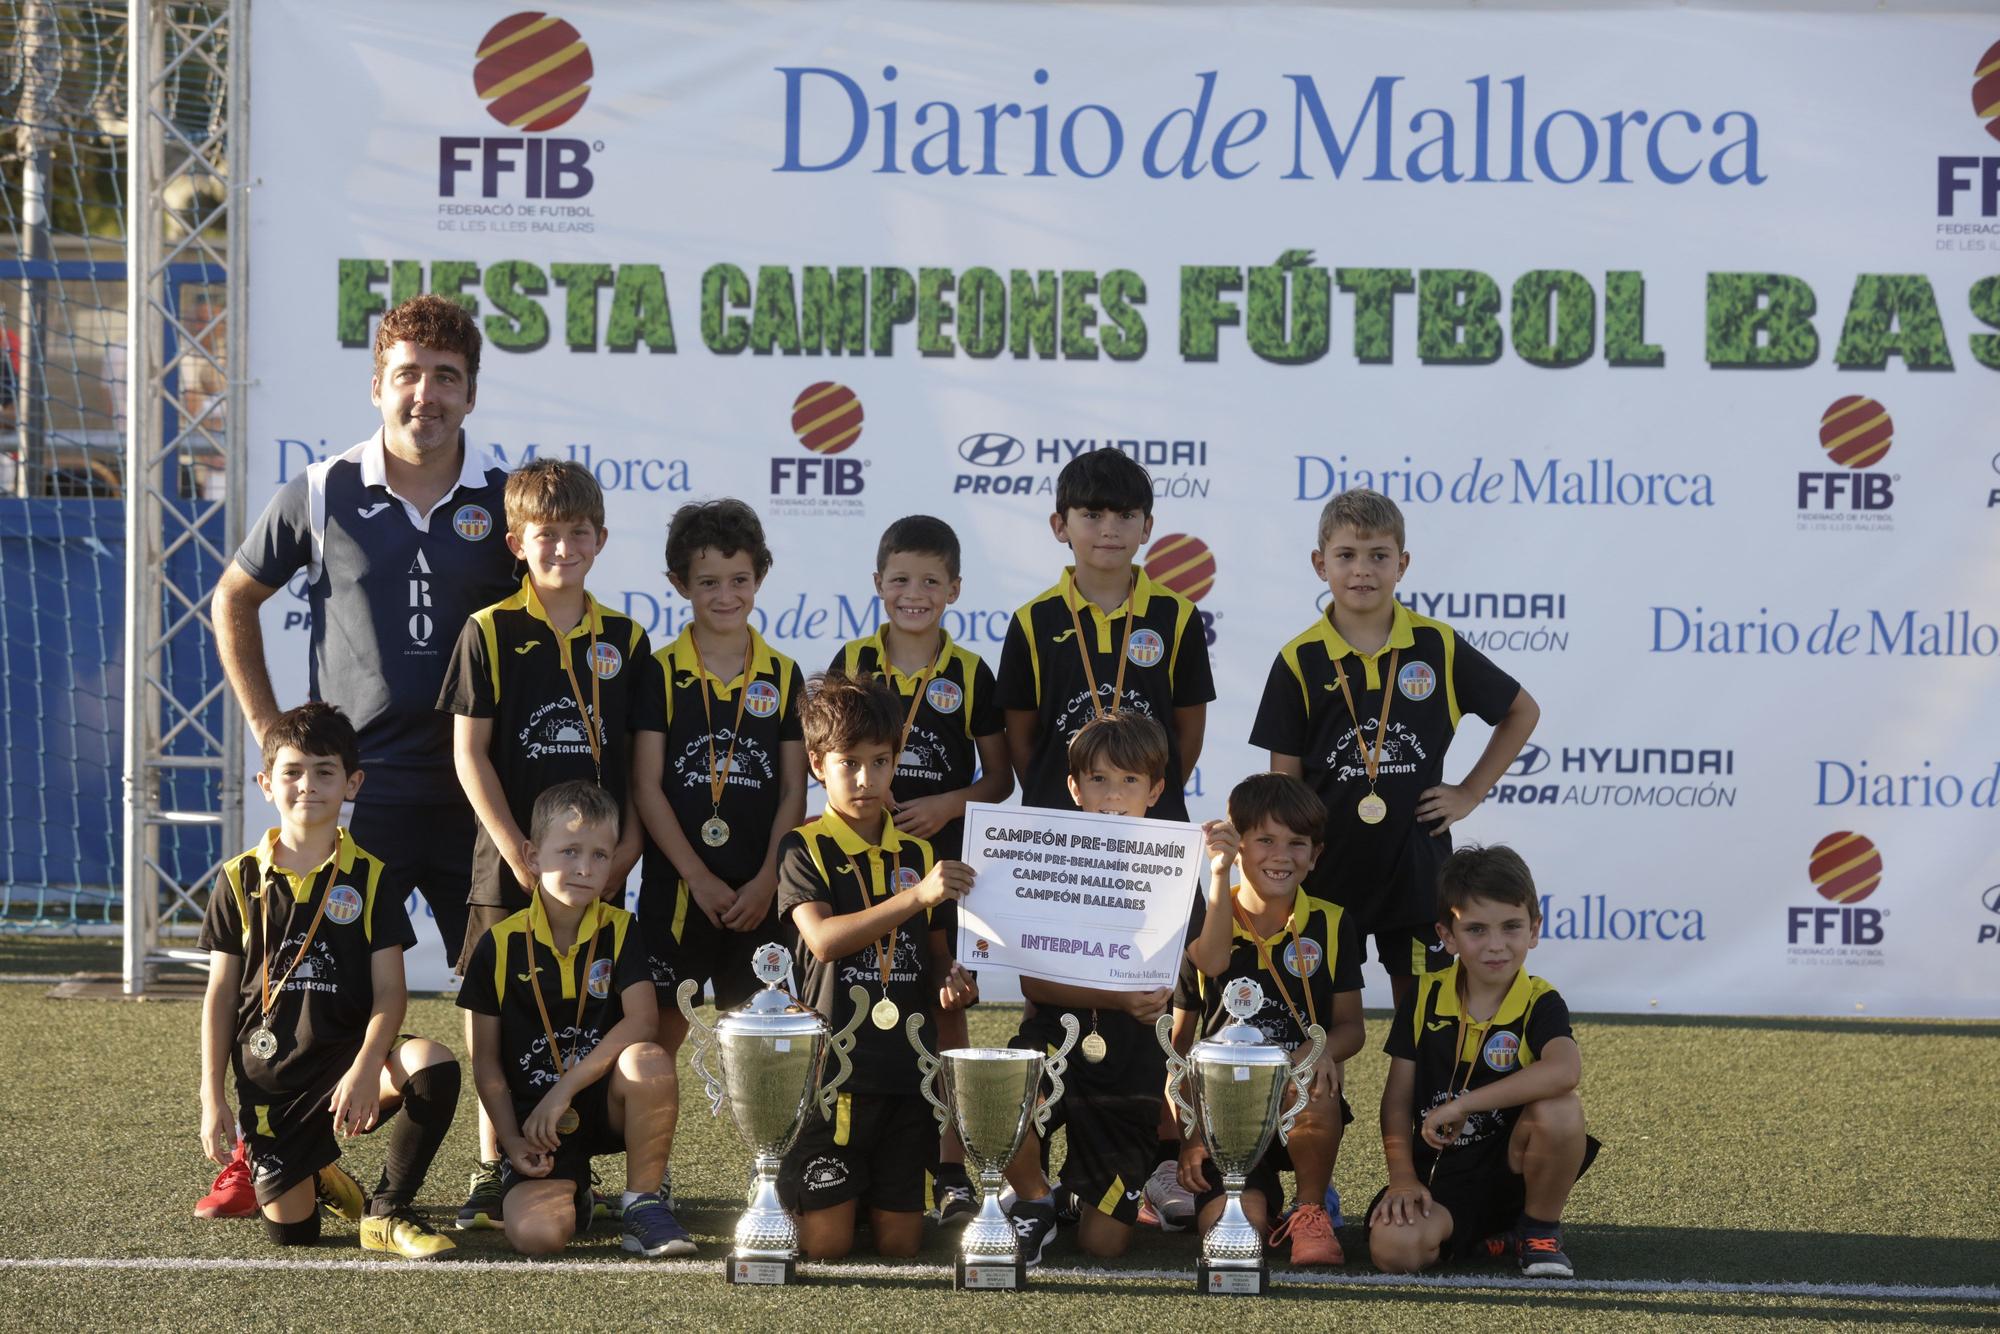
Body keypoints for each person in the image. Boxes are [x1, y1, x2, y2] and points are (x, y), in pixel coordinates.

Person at [205, 294, 514, 1215]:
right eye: (409, 375)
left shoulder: (508, 498)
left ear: (471, 392)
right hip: (357, 793)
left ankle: (499, 1167)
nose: (427, 394)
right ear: (378, 384)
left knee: (497, 987)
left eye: (447, 377)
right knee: (298, 981)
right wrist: (274, 736)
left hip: (473, 790)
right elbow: (233, 600)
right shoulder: (323, 487)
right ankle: (267, 1142)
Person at [437, 457, 653, 1228]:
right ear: (516, 542)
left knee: (584, 1018)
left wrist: (621, 856)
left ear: (601, 538)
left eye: (577, 533)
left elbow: (640, 765)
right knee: (498, 1016)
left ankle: (575, 1162)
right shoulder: (489, 631)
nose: (563, 547)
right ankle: (494, 1164)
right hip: (509, 868)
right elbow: (469, 755)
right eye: (547, 535)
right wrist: (517, 850)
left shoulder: (626, 638)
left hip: (597, 868)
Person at [1250, 487, 1540, 1017]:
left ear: (1402, 564)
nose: (1363, 570)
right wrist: (1292, 856)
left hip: (1417, 869)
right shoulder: (1299, 660)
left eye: (1379, 556)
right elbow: (1284, 786)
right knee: (1318, 1016)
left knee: (1424, 1015)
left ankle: (1421, 1104)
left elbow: (1522, 711)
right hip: (1326, 871)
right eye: (1346, 556)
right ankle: (1321, 1104)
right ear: (1320, 564)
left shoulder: (1437, 646)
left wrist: (1471, 792)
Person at [195, 703, 459, 1257]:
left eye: (324, 772)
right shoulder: (238, 878)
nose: (307, 786)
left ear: (352, 783)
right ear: (267, 784)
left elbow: (390, 990)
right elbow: (220, 996)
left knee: (432, 1066)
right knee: (296, 1236)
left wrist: (366, 1069)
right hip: (270, 1077)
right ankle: (314, 1171)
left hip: (346, 1059)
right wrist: (210, 1095)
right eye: (291, 772)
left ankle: (387, 1211)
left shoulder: (371, 876)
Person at [830, 514, 1010, 1223]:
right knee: (860, 999)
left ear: (955, 589)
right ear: (877, 584)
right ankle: (848, 1145)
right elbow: (830, 757)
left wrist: (944, 805)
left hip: (946, 867)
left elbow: (999, 780)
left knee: (947, 1007)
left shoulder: (970, 672)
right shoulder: (852, 659)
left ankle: (952, 1167)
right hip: (865, 864)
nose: (914, 593)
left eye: (930, 581)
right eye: (900, 579)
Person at [631, 499, 806, 1204]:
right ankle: (651, 1179)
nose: (725, 595)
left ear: (759, 578)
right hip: (681, 893)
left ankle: (776, 1179)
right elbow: (646, 786)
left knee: (766, 1050)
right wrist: (697, 875)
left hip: (759, 894)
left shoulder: (784, 674)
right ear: (679, 585)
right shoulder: (658, 670)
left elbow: (796, 788)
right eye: (708, 582)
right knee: (657, 1042)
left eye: (738, 579)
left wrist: (769, 876)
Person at [775, 673, 977, 1259]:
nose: (866, 779)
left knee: (900, 1245)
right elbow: (823, 941)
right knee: (826, 1248)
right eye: (849, 764)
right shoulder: (804, 846)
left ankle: (858, 1194)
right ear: (818, 764)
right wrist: (916, 897)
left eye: (881, 762)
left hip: (905, 1075)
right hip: (837, 1074)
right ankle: (813, 1195)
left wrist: (954, 981)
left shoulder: (918, 852)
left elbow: (938, 954)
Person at [457, 781, 691, 1258]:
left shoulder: (621, 929)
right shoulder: (497, 944)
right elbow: (485, 1062)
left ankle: (642, 1205)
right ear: (532, 854)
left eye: (601, 855)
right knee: (538, 1238)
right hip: (536, 1126)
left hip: (602, 1106)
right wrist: (509, 1139)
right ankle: (573, 1193)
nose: (586, 868)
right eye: (569, 851)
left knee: (648, 1059)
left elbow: (643, 1023)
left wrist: (564, 1089)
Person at [1001, 710, 1199, 1262]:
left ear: (1156, 789)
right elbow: (1032, 981)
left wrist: (1224, 872)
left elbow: (1209, 956)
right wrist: (1115, 999)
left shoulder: (1175, 865)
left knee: (1103, 1245)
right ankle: (1037, 1199)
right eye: (1099, 779)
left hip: (1131, 1061)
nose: (1114, 793)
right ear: (1074, 787)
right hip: (1056, 1036)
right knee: (1007, 1098)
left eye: (1130, 780)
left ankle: (1068, 1196)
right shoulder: (1050, 858)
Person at [1367, 845, 1599, 1278]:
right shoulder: (1425, 995)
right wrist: (1401, 1177)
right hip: (1440, 1181)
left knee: (1561, 1107)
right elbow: (1396, 1100)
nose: (1496, 945)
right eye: (1476, 930)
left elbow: (1565, 1071)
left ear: (1534, 929)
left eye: (1511, 927)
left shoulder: (1539, 1000)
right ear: (1448, 936)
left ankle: (1537, 1229)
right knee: (1394, 1251)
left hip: (1515, 1170)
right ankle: (1488, 1240)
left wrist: (1463, 1104)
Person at [1174, 772, 1366, 1266]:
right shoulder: (1205, 916)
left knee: (1316, 1080)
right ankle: (1258, 1202)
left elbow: (1350, 1027)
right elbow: (1181, 1045)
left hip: (1295, 1098)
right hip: (1224, 1108)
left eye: (1297, 843)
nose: (1281, 855)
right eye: (1264, 840)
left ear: (1315, 854)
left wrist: (1311, 1053)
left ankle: (1310, 1209)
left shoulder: (1333, 921)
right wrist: (1192, 1132)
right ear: (1238, 845)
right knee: (1239, 1236)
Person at [996, 449, 1215, 823]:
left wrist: (1142, 793)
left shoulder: (1178, 616)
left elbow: (1188, 733)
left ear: (1147, 527)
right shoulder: (1033, 620)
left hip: (1152, 826)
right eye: (1092, 515)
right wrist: (1057, 792)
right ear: (1060, 525)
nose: (1109, 529)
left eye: (1126, 515)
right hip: (1058, 823)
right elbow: (1020, 739)